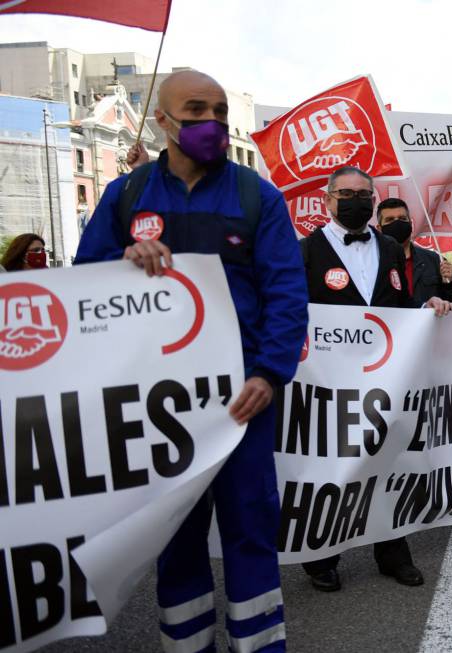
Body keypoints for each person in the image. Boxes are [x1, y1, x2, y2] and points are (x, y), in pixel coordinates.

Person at [75, 70, 307, 653]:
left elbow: (286, 294)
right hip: (159, 407)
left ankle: (259, 645)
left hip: (241, 403)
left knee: (251, 532)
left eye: (221, 111)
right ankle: (187, 645)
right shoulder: (125, 196)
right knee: (174, 537)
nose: (213, 123)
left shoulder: (259, 197)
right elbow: (82, 287)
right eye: (196, 110)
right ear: (163, 121)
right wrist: (123, 258)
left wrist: (269, 373)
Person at [299, 166, 452, 592]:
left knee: (387, 462)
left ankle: (391, 552)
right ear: (328, 201)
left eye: (364, 194)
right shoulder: (306, 251)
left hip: (383, 378)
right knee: (331, 467)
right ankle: (321, 555)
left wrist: (429, 308)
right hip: (328, 383)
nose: (356, 200)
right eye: (345, 193)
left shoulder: (388, 248)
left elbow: (399, 307)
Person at [376, 197, 452, 307]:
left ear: (411, 224)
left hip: (428, 324)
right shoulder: (371, 262)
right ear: (379, 228)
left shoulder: (435, 260)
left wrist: (450, 283)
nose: (397, 223)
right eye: (390, 220)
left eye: (402, 218)